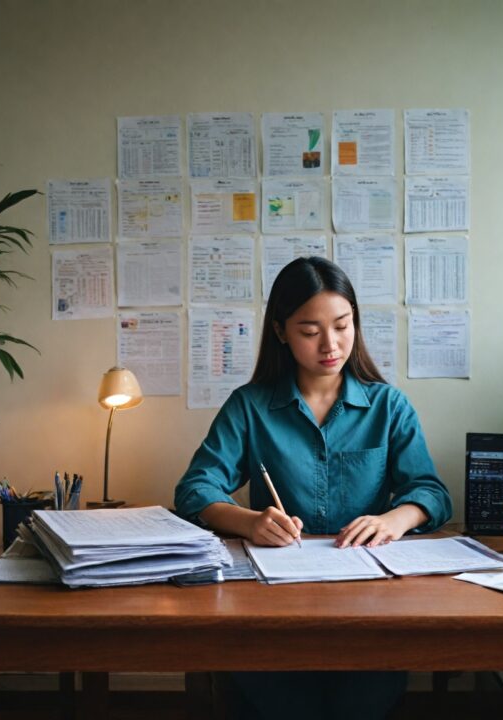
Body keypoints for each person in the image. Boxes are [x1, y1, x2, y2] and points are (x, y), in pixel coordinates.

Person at [174, 256, 452, 719]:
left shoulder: (388, 406)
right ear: (281, 331)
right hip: (272, 605)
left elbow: (431, 492)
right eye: (310, 331)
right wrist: (249, 522)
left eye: (343, 326)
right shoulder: (250, 406)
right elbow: (195, 490)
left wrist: (392, 520)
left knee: (362, 700)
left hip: (370, 603)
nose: (331, 344)